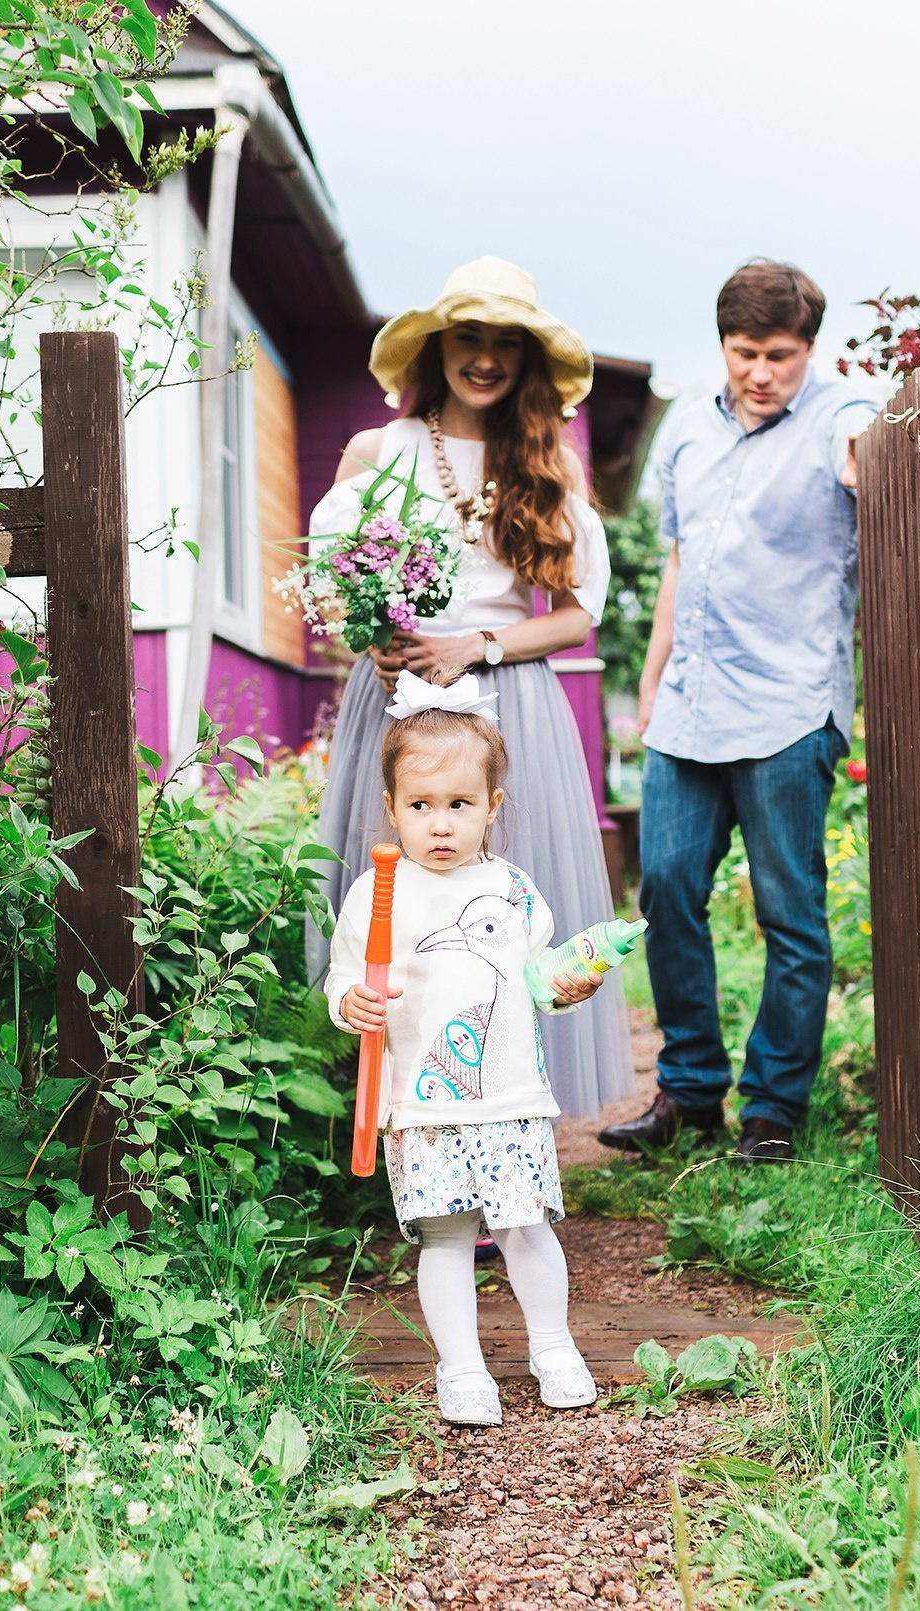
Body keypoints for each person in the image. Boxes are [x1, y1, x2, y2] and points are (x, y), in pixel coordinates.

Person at [306, 256, 631, 1123]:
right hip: (400, 700)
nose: (484, 358)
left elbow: (574, 617)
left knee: (503, 907)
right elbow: (332, 579)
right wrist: (373, 633)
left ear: (527, 361)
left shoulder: (548, 465)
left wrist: (475, 645)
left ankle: (512, 1116)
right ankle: (409, 1117)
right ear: (437, 345)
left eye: (505, 344)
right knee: (402, 904)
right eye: (468, 338)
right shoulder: (382, 452)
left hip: (510, 699)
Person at [599, 261, 875, 1165]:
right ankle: (689, 1092)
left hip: (790, 703)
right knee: (669, 888)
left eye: (781, 355)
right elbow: (680, 560)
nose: (761, 373)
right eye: (746, 352)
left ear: (809, 350)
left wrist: (862, 458)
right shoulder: (688, 428)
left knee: (786, 906)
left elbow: (867, 454)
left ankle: (772, 1110)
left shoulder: (840, 415)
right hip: (690, 702)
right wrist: (651, 677)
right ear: (723, 344)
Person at [326, 679, 605, 1425]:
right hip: (421, 1100)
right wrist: (350, 1003)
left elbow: (538, 977)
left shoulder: (514, 890)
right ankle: (463, 1366)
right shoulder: (377, 894)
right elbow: (347, 979)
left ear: (492, 806)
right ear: (391, 808)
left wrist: (564, 985)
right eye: (420, 806)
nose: (440, 824)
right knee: (445, 1236)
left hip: (509, 1093)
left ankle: (553, 1345)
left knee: (524, 1225)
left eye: (460, 804)